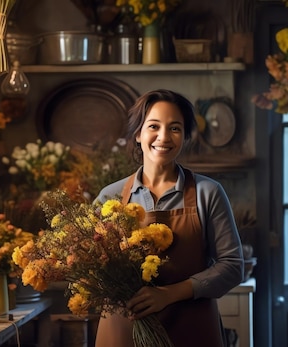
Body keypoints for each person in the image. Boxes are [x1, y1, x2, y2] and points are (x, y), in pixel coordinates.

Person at [94, 89, 244, 347]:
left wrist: (169, 294)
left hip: (191, 329)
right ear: (138, 134)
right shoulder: (110, 197)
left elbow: (232, 266)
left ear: (185, 137)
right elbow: (92, 265)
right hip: (123, 330)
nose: (163, 137)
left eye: (175, 128)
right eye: (154, 126)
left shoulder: (207, 193)